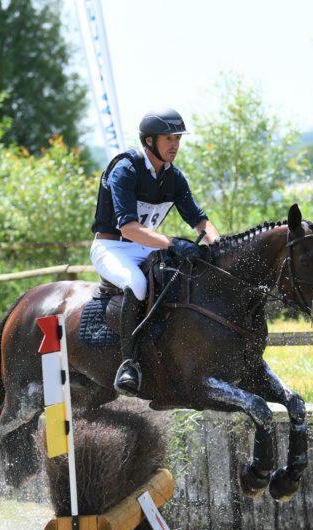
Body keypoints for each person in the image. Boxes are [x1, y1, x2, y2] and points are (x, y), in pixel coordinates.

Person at [89, 107, 221, 396]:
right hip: (112, 247)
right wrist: (173, 243)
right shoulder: (125, 169)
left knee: (182, 279)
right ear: (150, 141)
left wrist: (218, 244)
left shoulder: (173, 177)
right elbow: (129, 229)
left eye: (177, 139)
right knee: (137, 284)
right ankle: (128, 364)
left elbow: (199, 219)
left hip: (145, 248)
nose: (175, 145)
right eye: (168, 139)